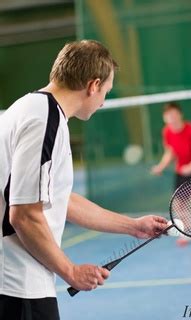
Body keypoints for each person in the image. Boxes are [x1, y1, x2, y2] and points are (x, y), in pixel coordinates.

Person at [0, 40, 168, 320]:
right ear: (93, 85)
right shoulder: (45, 120)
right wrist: (71, 271)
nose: (103, 101)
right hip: (19, 285)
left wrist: (134, 226)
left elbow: (59, 201)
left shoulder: (30, 108)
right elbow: (25, 215)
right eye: (106, 92)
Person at [151, 102, 191, 250]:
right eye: (167, 115)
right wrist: (161, 166)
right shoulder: (167, 131)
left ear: (180, 114)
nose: (171, 117)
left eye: (173, 114)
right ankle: (187, 232)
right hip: (181, 170)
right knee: (179, 203)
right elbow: (170, 152)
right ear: (164, 118)